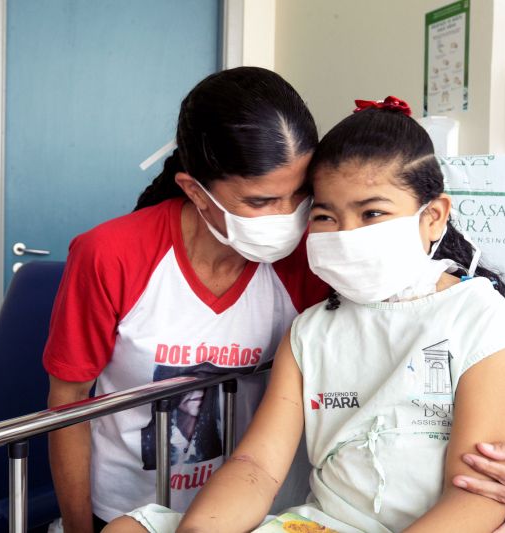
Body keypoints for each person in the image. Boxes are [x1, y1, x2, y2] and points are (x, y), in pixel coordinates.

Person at [104, 97, 505, 533]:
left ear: (433, 217)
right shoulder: (310, 332)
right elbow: (257, 467)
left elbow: (477, 497)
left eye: (371, 214)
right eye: (325, 217)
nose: (346, 234)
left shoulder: (480, 322)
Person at [43, 66, 330, 533]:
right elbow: (69, 401)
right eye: (260, 202)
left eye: (300, 194)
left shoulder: (310, 260)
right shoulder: (111, 255)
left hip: (254, 515)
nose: (287, 216)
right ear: (194, 190)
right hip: (126, 514)